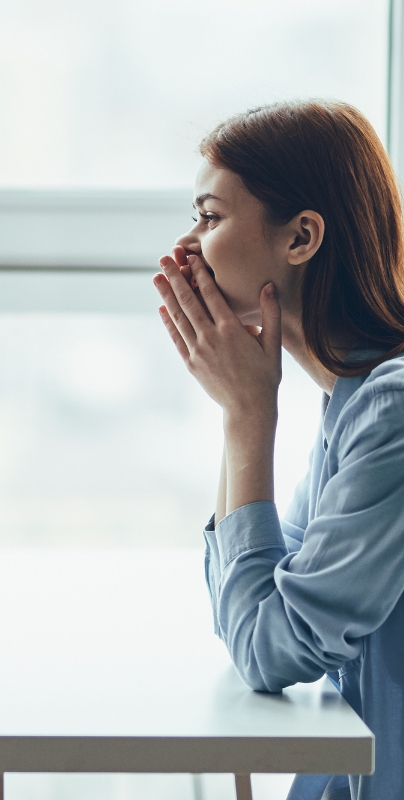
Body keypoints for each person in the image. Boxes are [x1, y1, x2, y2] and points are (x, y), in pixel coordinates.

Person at [153, 100, 404, 799]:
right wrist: (242, 410)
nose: (184, 249)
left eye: (209, 217)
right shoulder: (350, 403)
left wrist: (246, 417)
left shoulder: (393, 412)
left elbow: (269, 650)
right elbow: (245, 607)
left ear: (301, 238)